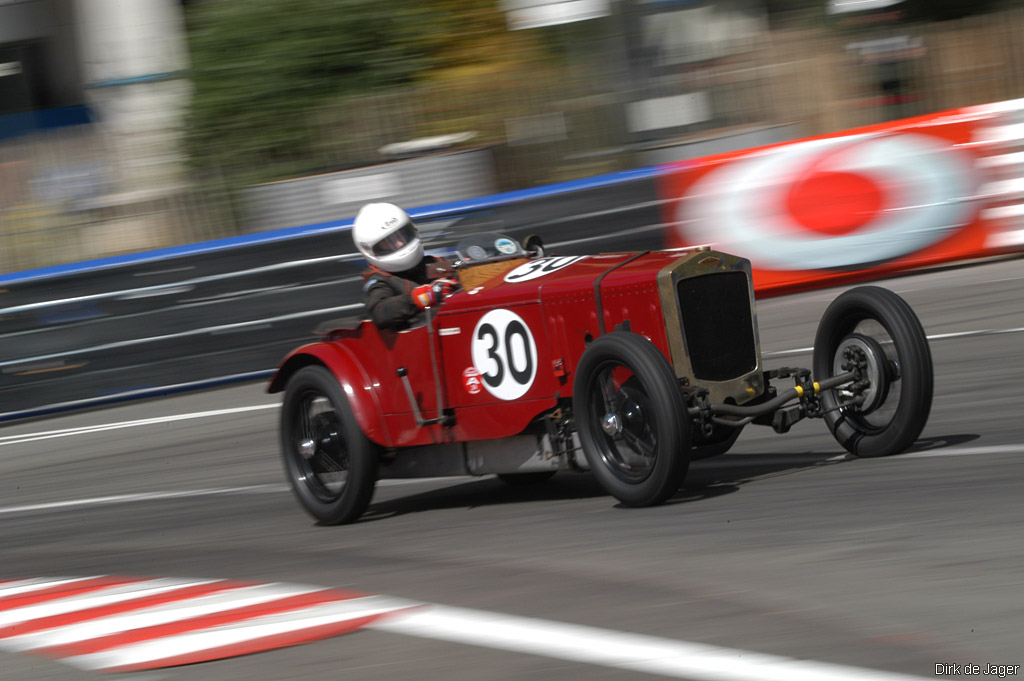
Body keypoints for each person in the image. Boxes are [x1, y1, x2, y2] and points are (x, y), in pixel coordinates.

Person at [352, 202, 457, 330]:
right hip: (417, 340)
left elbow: (456, 274)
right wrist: (421, 297)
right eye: (388, 242)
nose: (400, 242)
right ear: (371, 250)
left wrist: (466, 272)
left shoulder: (430, 264)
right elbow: (380, 312)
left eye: (402, 235)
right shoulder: (378, 279)